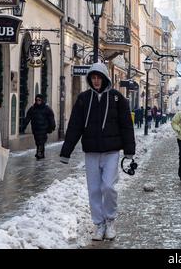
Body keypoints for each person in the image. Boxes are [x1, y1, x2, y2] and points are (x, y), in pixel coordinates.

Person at [59, 62, 135, 241]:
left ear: (105, 78)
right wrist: (66, 151)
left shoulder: (117, 98)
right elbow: (75, 125)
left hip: (111, 151)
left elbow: (126, 125)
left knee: (108, 186)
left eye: (98, 77)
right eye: (93, 77)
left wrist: (129, 150)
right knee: (93, 189)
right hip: (91, 151)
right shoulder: (84, 99)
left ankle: (110, 221)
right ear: (90, 79)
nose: (96, 80)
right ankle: (99, 224)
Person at [22, 94, 56, 160]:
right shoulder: (33, 108)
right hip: (35, 128)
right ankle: (41, 153)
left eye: (39, 100)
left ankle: (39, 153)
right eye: (37, 100)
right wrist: (24, 126)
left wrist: (52, 127)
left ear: (42, 100)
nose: (38, 101)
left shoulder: (47, 109)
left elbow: (51, 118)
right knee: (38, 141)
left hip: (43, 129)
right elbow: (28, 117)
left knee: (41, 141)